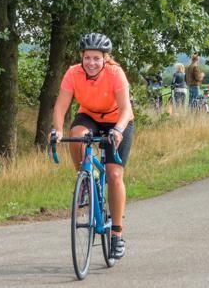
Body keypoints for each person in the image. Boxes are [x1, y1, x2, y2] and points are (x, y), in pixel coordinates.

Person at [52, 33, 134, 260]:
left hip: (117, 119)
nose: (91, 62)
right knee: (76, 135)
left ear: (105, 59)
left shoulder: (115, 73)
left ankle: (117, 234)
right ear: (82, 57)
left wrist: (117, 130)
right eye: (87, 57)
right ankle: (85, 178)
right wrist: (57, 130)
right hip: (88, 116)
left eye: (96, 58)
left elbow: (126, 109)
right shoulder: (73, 73)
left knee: (114, 174)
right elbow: (60, 106)